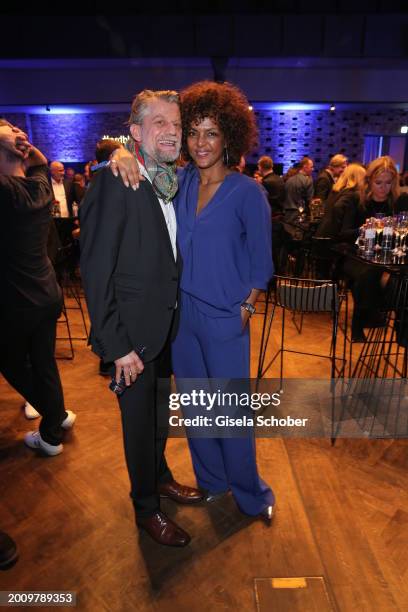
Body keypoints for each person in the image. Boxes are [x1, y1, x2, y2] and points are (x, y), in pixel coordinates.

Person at [110, 80, 275, 523]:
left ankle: (250, 493)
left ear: (229, 139)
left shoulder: (247, 192)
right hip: (182, 318)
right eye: (194, 132)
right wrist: (121, 152)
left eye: (212, 133)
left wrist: (247, 307)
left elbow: (262, 262)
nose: (200, 143)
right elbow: (138, 161)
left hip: (226, 317)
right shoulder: (177, 181)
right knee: (199, 409)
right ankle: (213, 482)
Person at [80, 90, 203, 548]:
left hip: (163, 327)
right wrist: (117, 346)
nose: (171, 131)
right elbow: (95, 269)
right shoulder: (116, 181)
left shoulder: (170, 180)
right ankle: (145, 509)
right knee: (138, 427)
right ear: (135, 133)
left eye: (176, 123)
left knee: (157, 417)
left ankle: (161, 476)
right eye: (159, 123)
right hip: (130, 338)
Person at [0, 123, 76, 455]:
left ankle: (55, 417)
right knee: (43, 362)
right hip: (47, 294)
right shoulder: (39, 186)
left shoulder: (6, 189)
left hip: (17, 302)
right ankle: (52, 432)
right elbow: (42, 163)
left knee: (11, 362)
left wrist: (10, 138)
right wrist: (21, 142)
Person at [315, 163, 366, 243]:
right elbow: (338, 207)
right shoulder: (352, 194)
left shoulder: (336, 191)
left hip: (323, 235)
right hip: (334, 242)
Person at [283, 156, 314, 223]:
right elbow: (309, 200)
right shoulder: (308, 180)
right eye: (311, 167)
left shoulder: (289, 180)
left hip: (287, 213)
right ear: (305, 167)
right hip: (299, 214)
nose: (313, 169)